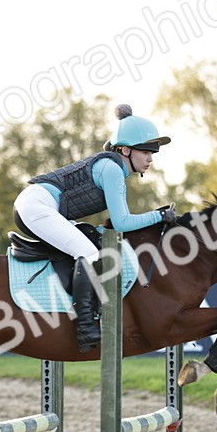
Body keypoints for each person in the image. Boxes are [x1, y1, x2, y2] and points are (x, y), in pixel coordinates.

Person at [14, 103, 178, 352]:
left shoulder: (113, 168)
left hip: (39, 205)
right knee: (89, 253)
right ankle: (85, 326)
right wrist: (159, 216)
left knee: (91, 239)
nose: (150, 158)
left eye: (152, 153)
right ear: (125, 150)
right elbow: (123, 222)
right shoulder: (111, 169)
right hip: (37, 206)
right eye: (145, 151)